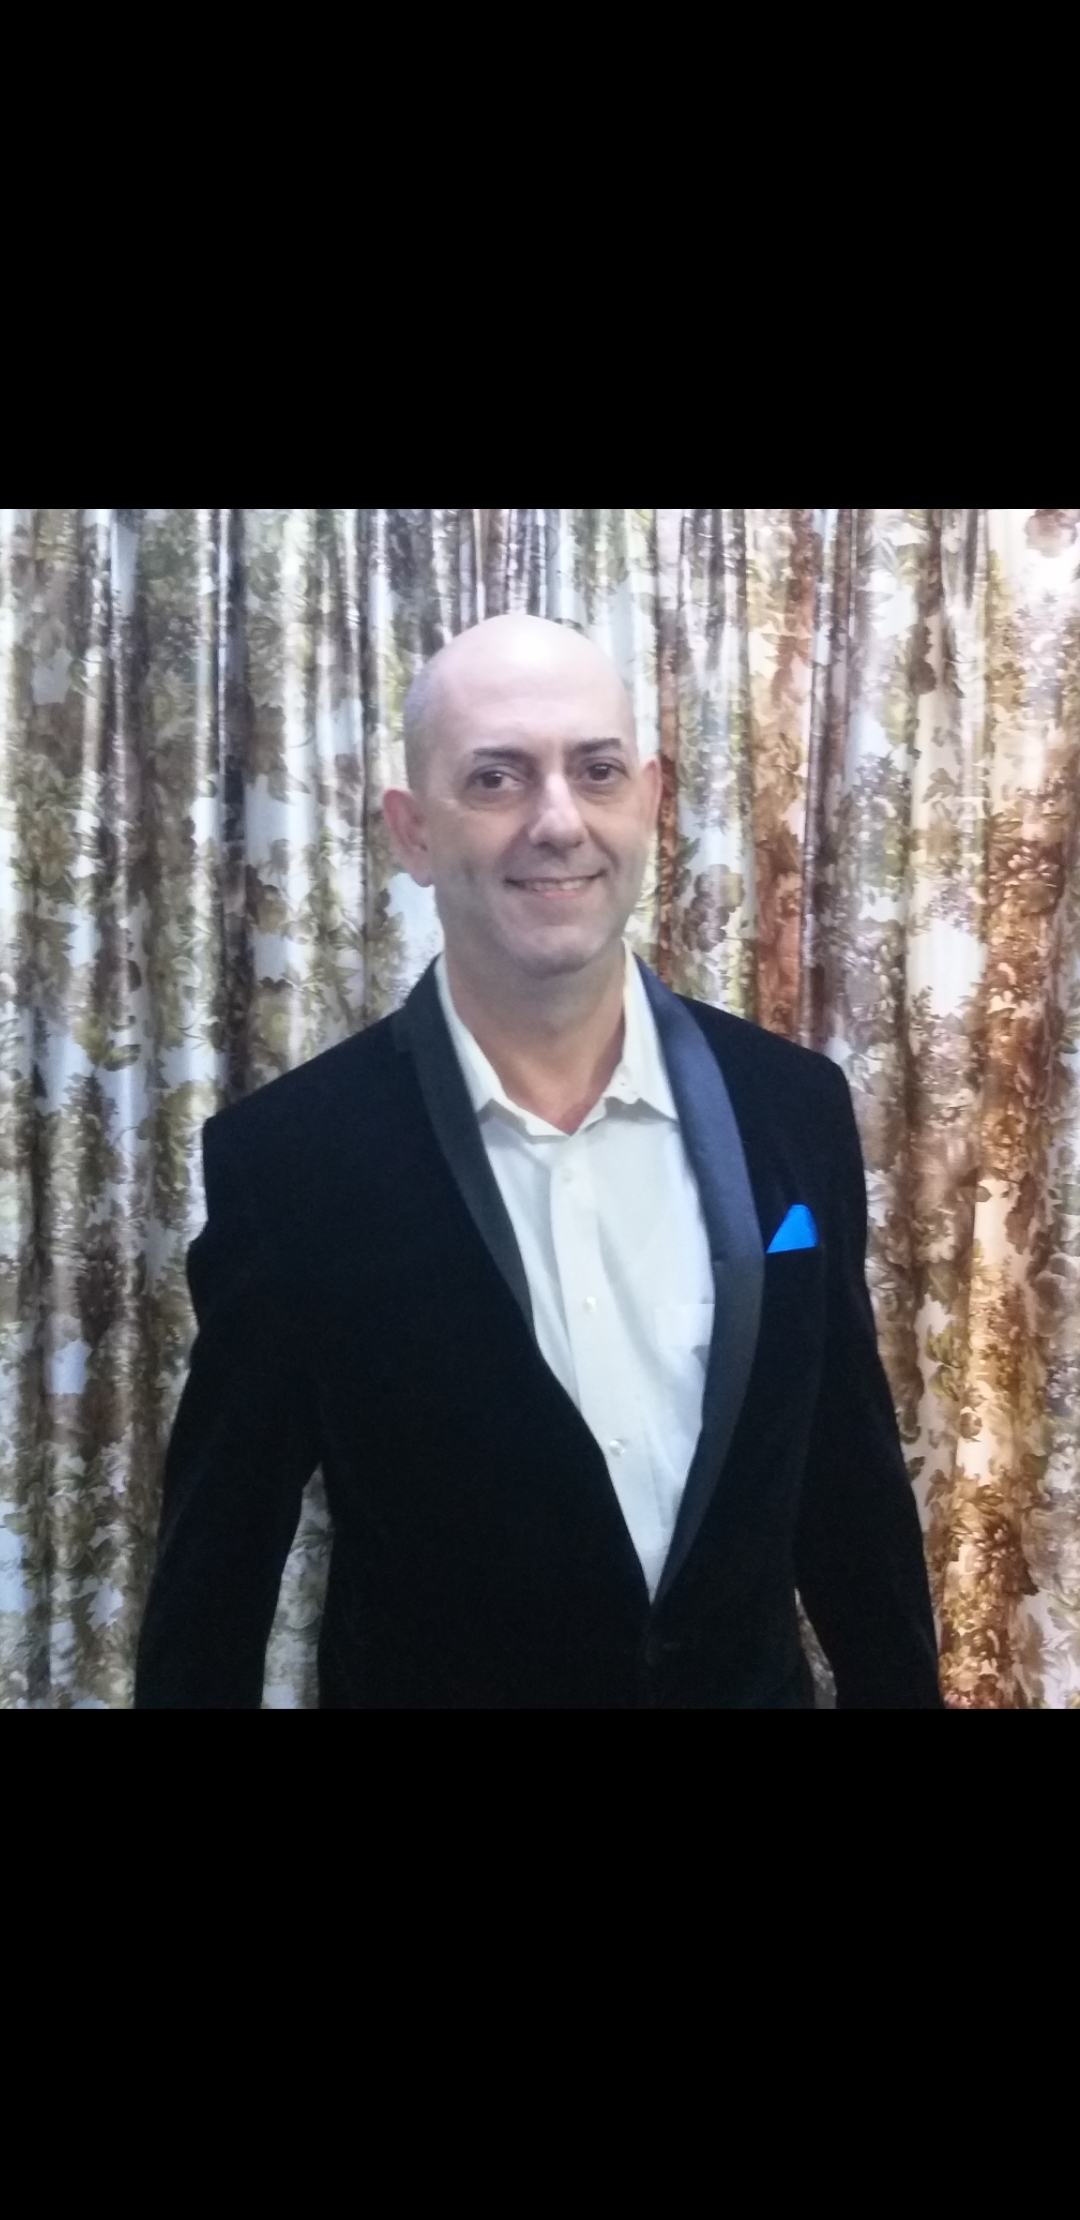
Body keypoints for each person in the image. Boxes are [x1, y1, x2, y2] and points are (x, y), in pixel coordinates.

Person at [134, 613, 942, 1709]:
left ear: (649, 800)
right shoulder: (292, 1164)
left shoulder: (792, 1107)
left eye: (596, 771)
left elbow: (849, 1489)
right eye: (497, 778)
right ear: (414, 833)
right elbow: (217, 1579)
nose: (558, 821)